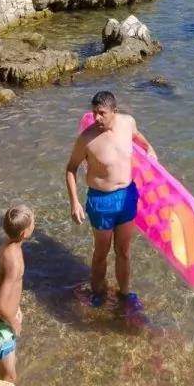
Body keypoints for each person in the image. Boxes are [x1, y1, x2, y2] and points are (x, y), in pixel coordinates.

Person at [65, 91, 155, 310]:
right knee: (101, 253)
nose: (96, 118)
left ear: (114, 111)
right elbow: (71, 169)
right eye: (94, 112)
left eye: (102, 113)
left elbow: (137, 136)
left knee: (123, 251)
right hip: (101, 201)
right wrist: (74, 202)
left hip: (127, 196)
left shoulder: (128, 122)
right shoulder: (87, 139)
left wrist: (149, 147)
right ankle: (97, 292)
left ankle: (125, 294)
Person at [0, 205, 33, 383]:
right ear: (24, 233)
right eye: (32, 222)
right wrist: (14, 322)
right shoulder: (13, 261)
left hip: (5, 319)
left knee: (10, 365)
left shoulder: (9, 243)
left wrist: (16, 307)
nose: (34, 223)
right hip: (1, 325)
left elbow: (8, 286)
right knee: (9, 376)